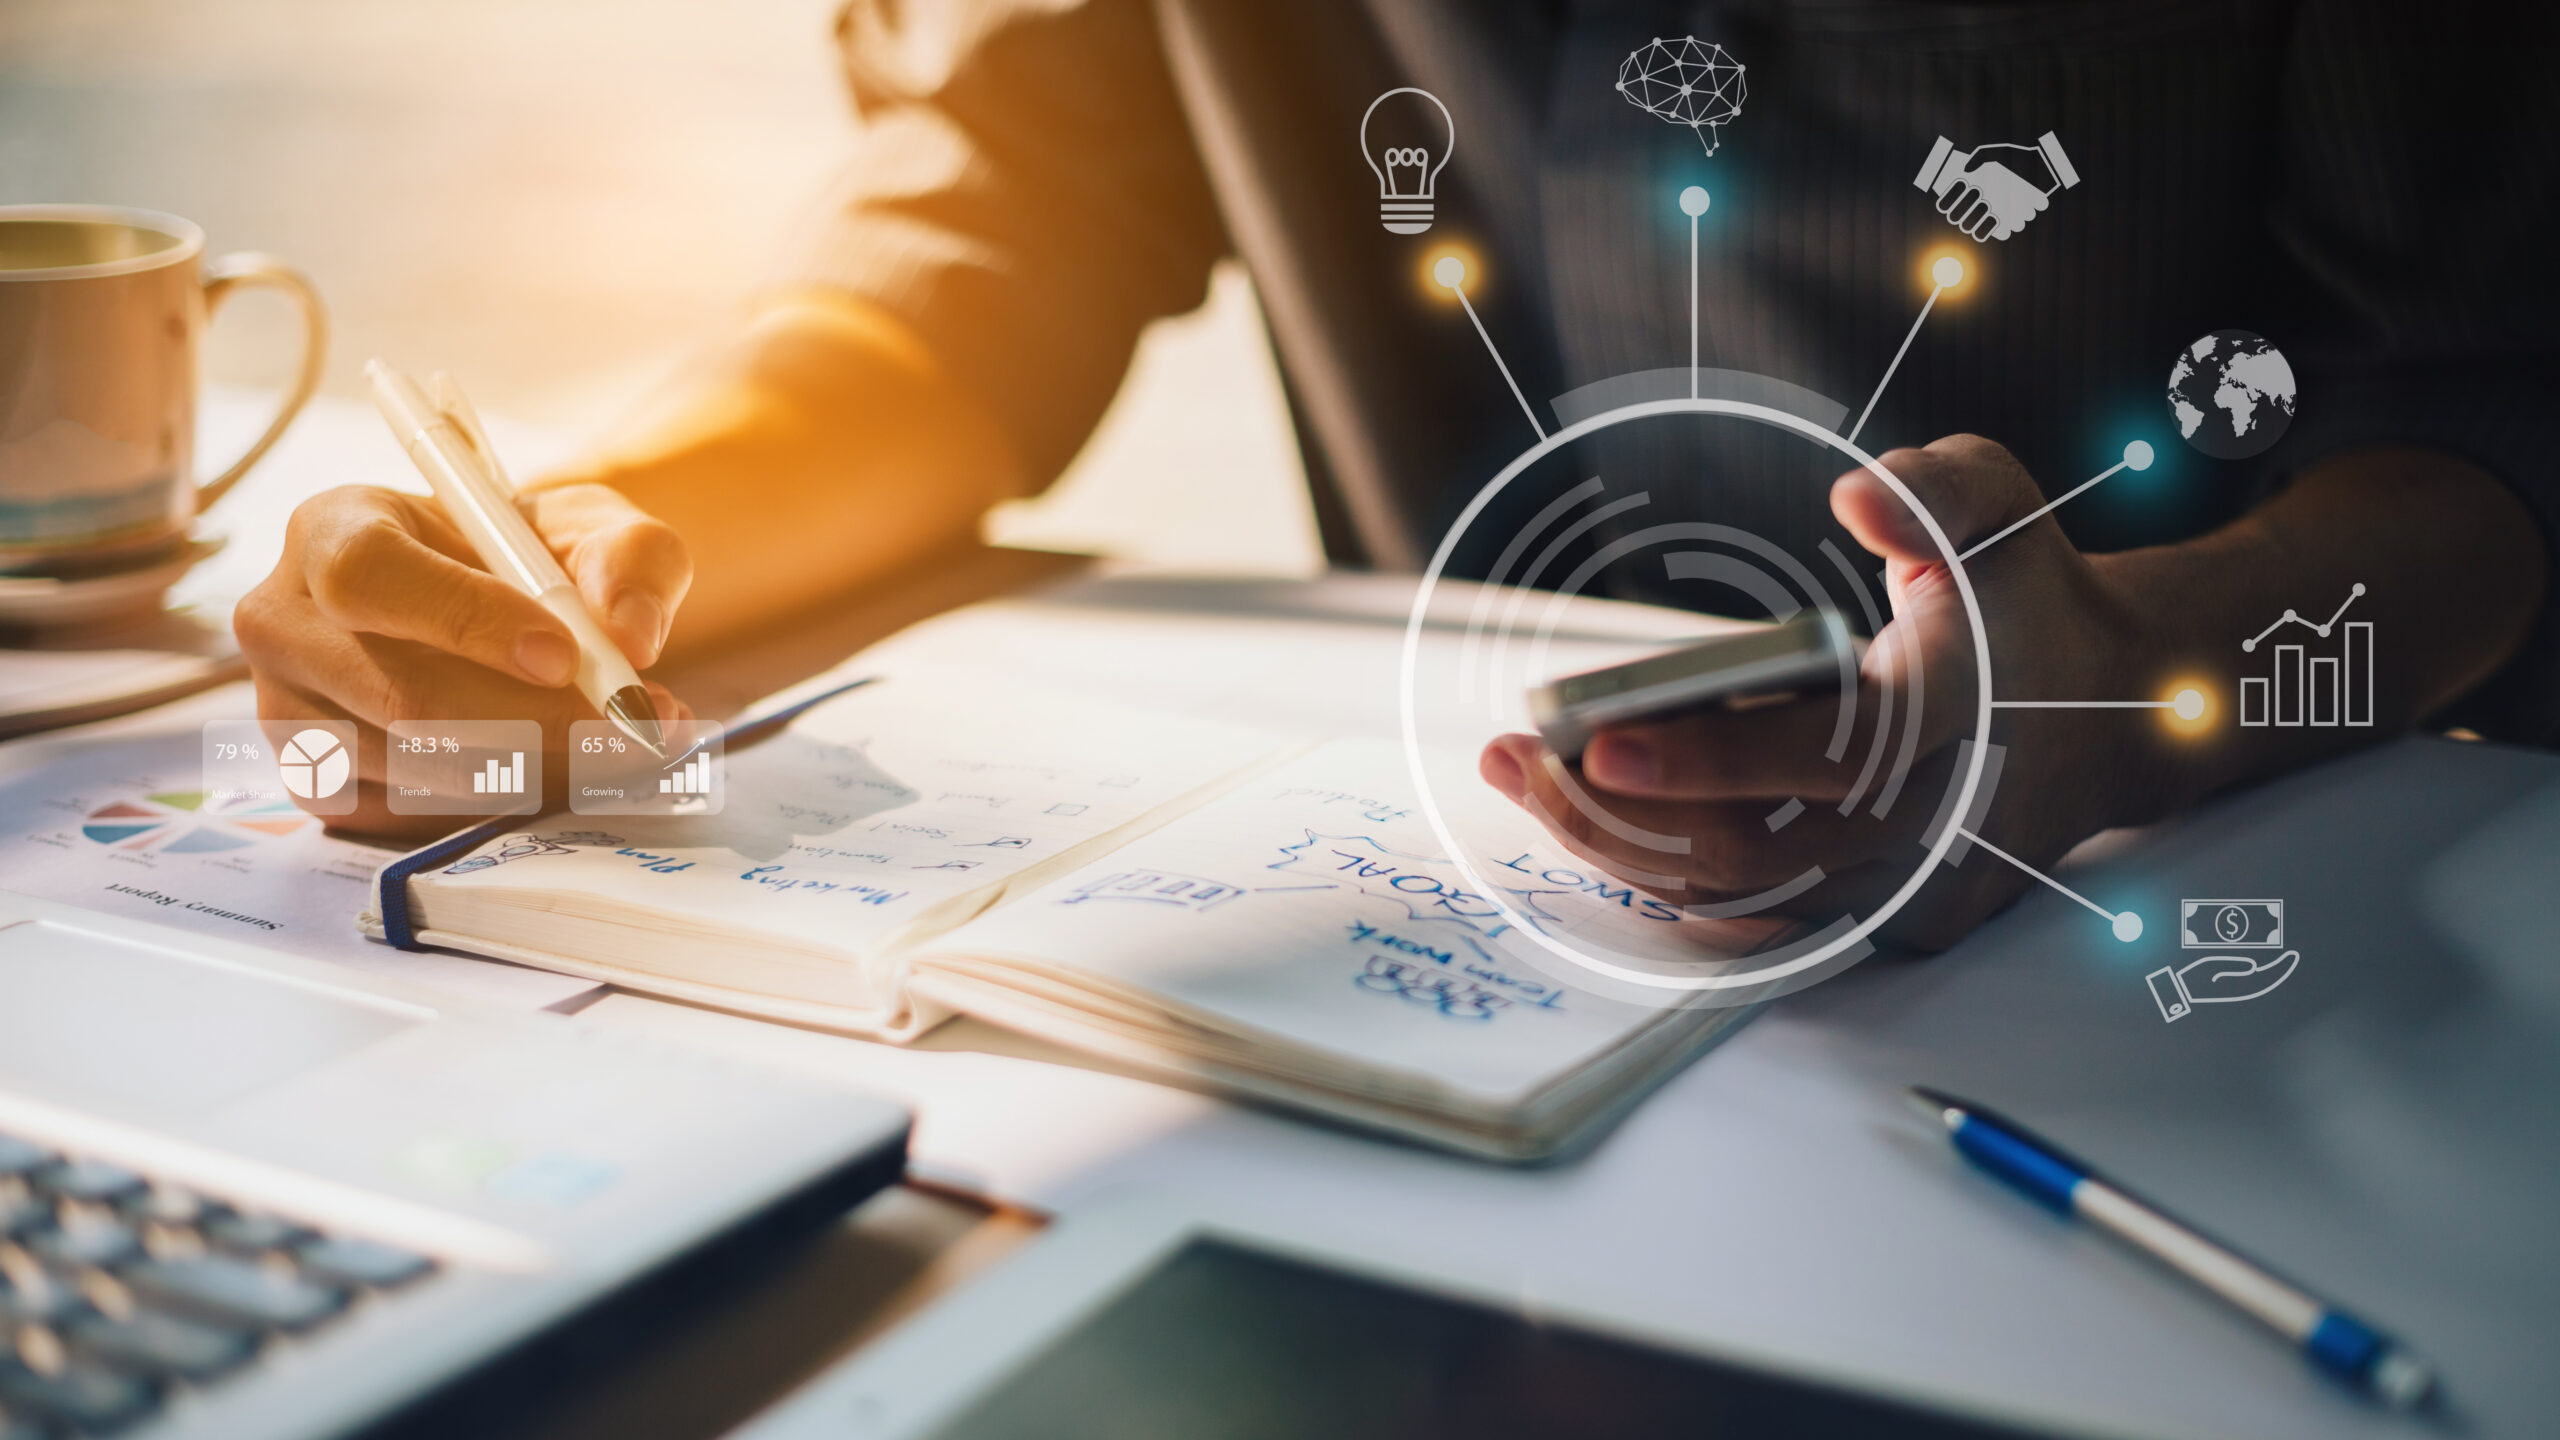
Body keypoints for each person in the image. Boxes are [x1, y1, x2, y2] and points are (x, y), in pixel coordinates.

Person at [238, 0, 2555, 948]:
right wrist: (576, 547)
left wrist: (2120, 675)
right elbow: (990, 245)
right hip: (1457, 905)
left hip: (2242, 909)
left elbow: (2476, 415)